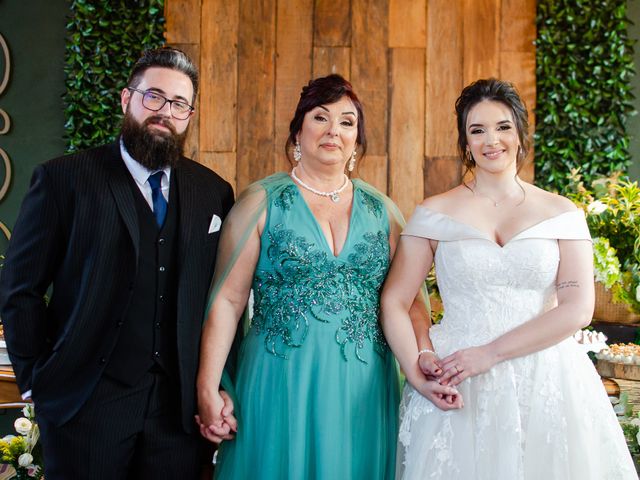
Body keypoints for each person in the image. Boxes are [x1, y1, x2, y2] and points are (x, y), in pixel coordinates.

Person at [381, 78, 637, 479]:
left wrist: (490, 353)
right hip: (456, 380)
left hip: (547, 377)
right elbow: (396, 300)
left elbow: (577, 309)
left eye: (502, 127)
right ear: (465, 143)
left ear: (520, 133)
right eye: (476, 130)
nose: (491, 141)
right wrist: (417, 363)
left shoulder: (562, 213)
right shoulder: (433, 213)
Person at [0, 47, 235, 479]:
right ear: (127, 100)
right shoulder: (63, 179)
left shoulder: (213, 192)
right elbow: (20, 287)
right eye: (154, 97)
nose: (165, 112)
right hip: (86, 403)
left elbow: (225, 297)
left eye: (179, 103)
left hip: (177, 413)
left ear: (190, 115)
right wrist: (36, 379)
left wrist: (215, 385)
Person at [196, 74, 425, 479]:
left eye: (347, 121)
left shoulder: (384, 212)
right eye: (321, 117)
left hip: (364, 388)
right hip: (280, 381)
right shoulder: (261, 201)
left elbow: (411, 305)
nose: (334, 130)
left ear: (357, 140)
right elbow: (228, 302)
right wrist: (208, 388)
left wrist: (426, 367)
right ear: (298, 130)